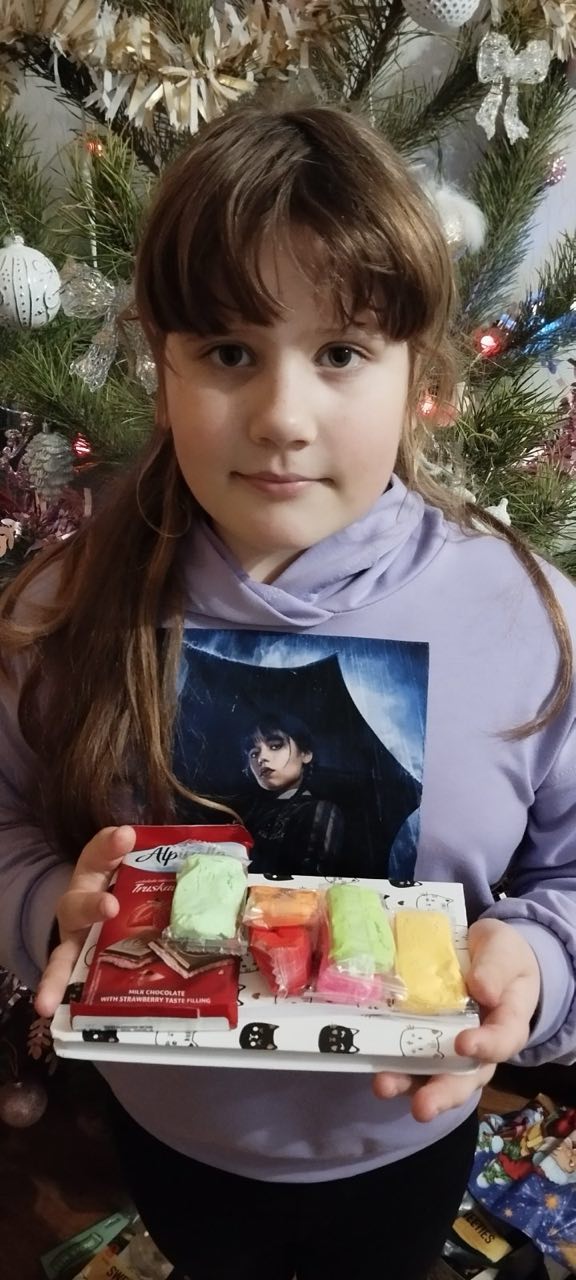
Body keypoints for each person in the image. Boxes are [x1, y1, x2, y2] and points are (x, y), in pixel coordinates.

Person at [1, 101, 575, 1280]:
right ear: (161, 361)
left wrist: (538, 960)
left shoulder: (530, 620)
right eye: (227, 350)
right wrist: (53, 902)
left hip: (403, 1138)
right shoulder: (61, 608)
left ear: (420, 372)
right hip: (173, 1136)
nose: (281, 418)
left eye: (342, 352)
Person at [240, 713, 345, 875]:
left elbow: (310, 881)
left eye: (275, 746)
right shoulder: (251, 814)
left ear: (305, 754)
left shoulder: (321, 811)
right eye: (254, 753)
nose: (261, 758)